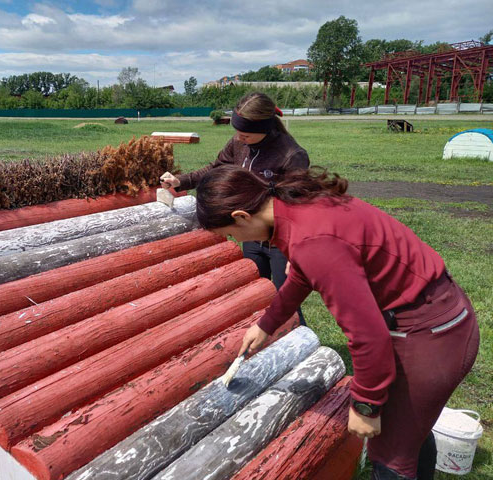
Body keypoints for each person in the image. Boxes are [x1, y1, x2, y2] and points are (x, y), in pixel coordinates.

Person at [195, 165, 479, 480]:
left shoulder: (312, 239)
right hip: (435, 314)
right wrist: (267, 323)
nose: (237, 240)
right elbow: (303, 273)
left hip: (431, 332)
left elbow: (368, 335)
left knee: (390, 454)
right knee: (410, 430)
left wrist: (367, 405)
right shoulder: (296, 206)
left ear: (242, 216)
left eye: (231, 235)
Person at [161, 92, 308, 324]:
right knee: (255, 295)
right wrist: (182, 181)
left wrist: (294, 250)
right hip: (249, 234)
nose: (239, 138)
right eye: (237, 132)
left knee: (285, 301)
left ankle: (303, 346)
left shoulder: (292, 155)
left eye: (246, 134)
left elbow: (298, 207)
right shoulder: (238, 143)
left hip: (282, 243)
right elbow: (215, 168)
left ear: (265, 127)